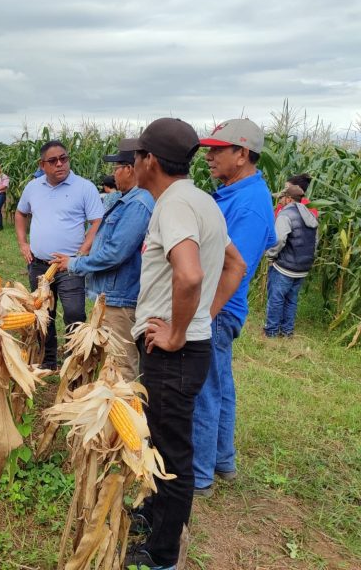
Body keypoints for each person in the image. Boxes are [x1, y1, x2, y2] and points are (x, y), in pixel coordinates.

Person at [125, 118, 246, 570]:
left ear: (149, 160)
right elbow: (234, 266)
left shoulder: (173, 205)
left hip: (173, 353)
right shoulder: (201, 201)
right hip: (185, 347)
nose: (132, 162)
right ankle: (153, 520)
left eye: (136, 155)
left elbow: (190, 273)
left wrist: (179, 331)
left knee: (173, 455)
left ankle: (162, 556)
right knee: (161, 440)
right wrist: (203, 318)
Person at [192, 119, 277, 498]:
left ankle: (198, 477)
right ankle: (222, 460)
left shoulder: (250, 204)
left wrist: (206, 315)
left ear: (242, 154)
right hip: (220, 306)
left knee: (204, 388)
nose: (209, 157)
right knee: (221, 384)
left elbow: (235, 266)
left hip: (219, 306)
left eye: (217, 150)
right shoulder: (234, 192)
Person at [51, 141, 153, 381]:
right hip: (111, 295)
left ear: (130, 169)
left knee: (120, 365)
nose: (113, 174)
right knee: (110, 362)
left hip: (121, 298)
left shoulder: (138, 205)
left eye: (117, 167)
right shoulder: (125, 200)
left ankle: (125, 413)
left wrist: (75, 263)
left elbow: (116, 253)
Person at [15, 140, 103, 370]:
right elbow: (20, 213)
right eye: (53, 161)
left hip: (69, 264)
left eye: (64, 158)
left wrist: (83, 251)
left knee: (74, 312)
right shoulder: (33, 187)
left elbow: (97, 222)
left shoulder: (84, 188)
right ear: (42, 164)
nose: (60, 164)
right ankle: (47, 360)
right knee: (44, 313)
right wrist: (23, 243)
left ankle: (74, 361)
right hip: (39, 264)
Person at [263, 180, 318, 337]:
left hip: (285, 267)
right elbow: (316, 240)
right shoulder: (310, 214)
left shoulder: (285, 214)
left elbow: (279, 240)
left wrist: (271, 255)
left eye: (281, 198)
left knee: (276, 298)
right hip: (302, 267)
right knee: (291, 299)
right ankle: (287, 331)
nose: (279, 201)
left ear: (288, 199)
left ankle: (271, 331)